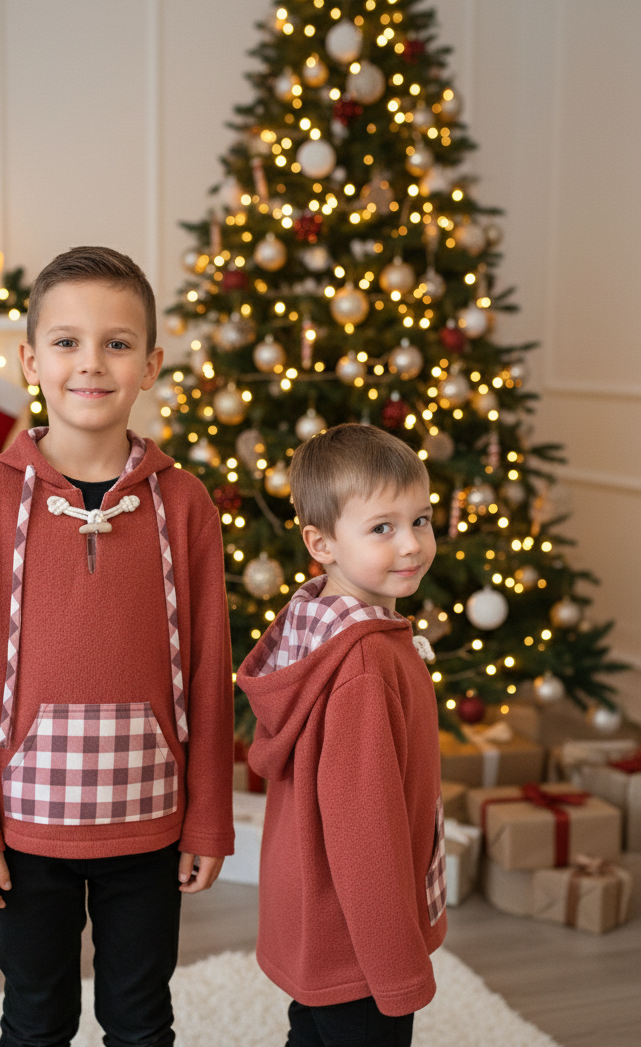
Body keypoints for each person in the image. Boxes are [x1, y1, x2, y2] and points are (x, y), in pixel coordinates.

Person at [0, 246, 234, 1047]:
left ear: (151, 364)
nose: (91, 363)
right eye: (66, 342)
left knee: (141, 1019)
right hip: (25, 831)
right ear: (31, 360)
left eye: (117, 343)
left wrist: (209, 818)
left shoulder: (186, 504)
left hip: (152, 823)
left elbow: (210, 672)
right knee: (35, 1018)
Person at [237, 422, 446, 1047]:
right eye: (382, 527)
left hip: (318, 915)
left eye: (421, 520)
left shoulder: (315, 622)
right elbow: (365, 830)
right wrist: (396, 966)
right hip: (359, 935)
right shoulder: (364, 664)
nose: (411, 544)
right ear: (320, 542)